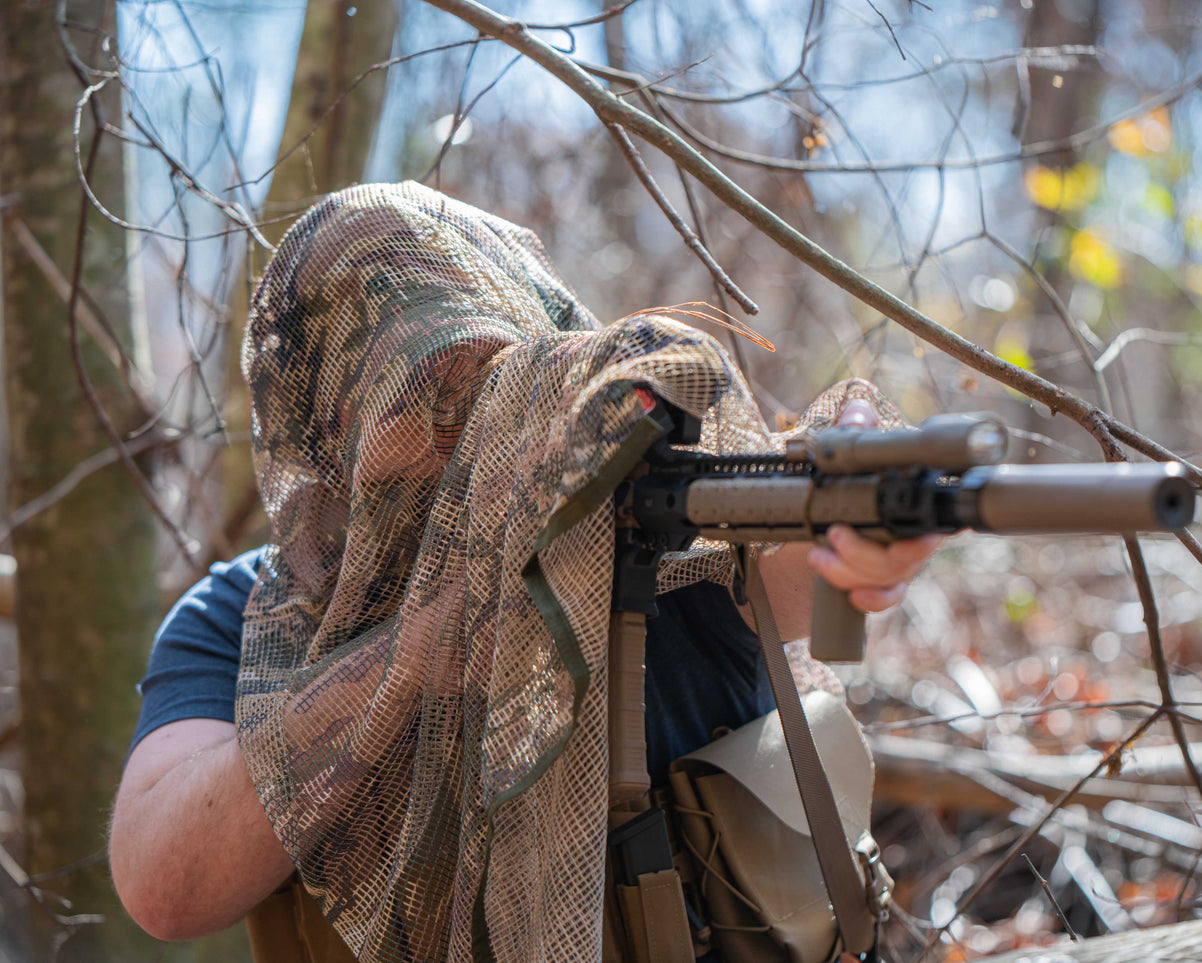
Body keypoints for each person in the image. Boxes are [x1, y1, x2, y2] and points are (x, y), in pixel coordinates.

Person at [108, 182, 940, 961]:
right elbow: (164, 885)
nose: (464, 420)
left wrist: (858, 510)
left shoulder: (650, 537)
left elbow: (808, 567)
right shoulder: (246, 618)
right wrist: (406, 659)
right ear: (327, 422)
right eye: (420, 389)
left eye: (493, 375)